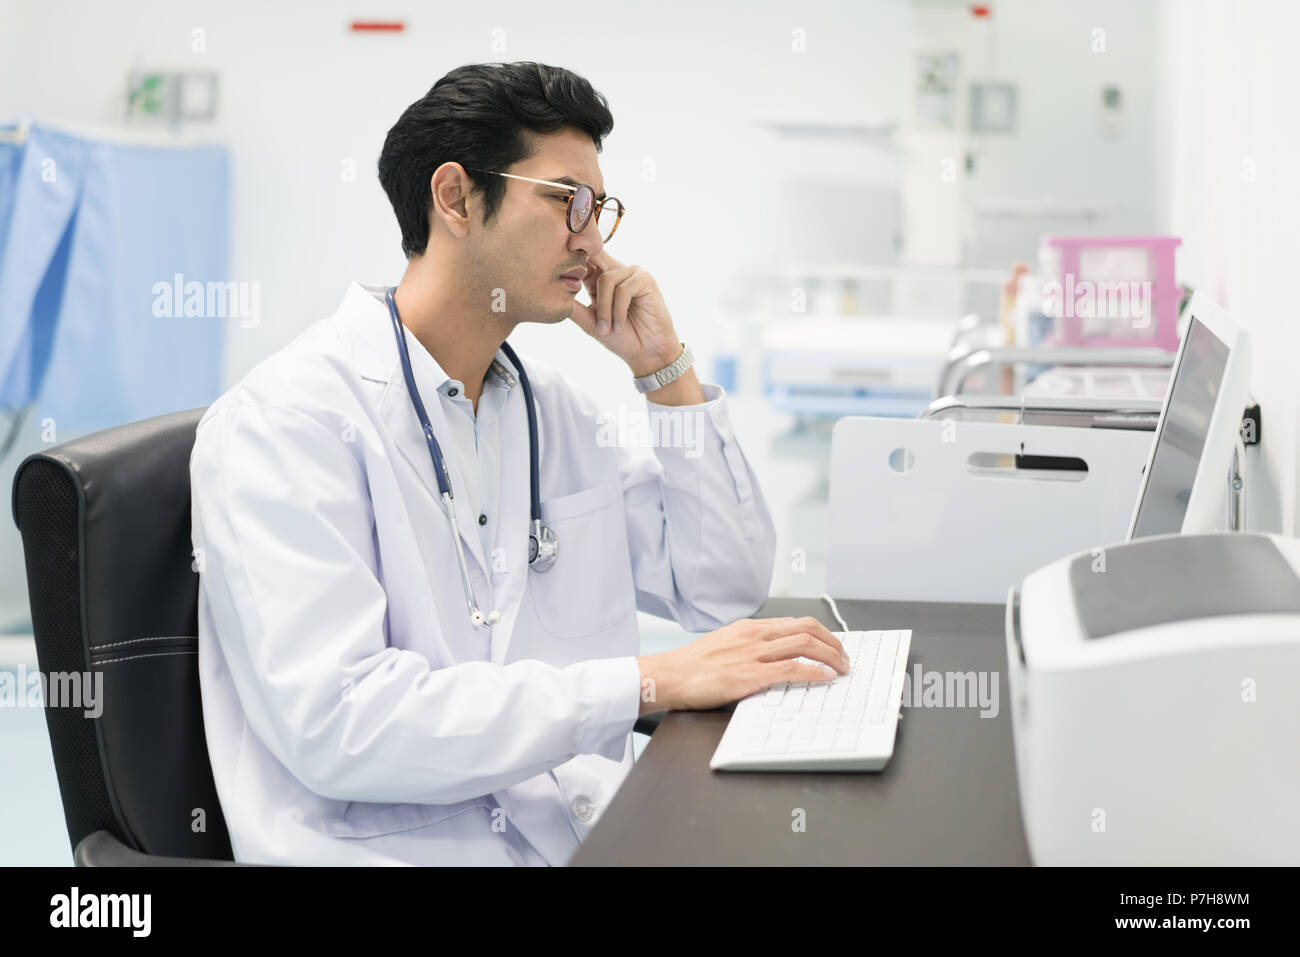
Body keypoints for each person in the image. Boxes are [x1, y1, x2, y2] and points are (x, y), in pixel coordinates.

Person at [189, 61, 849, 866]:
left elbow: (720, 587)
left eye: (598, 207)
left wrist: (665, 371)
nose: (592, 238)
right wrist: (646, 681)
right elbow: (342, 723)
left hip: (578, 834)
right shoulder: (285, 424)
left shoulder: (550, 413)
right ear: (457, 198)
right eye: (565, 199)